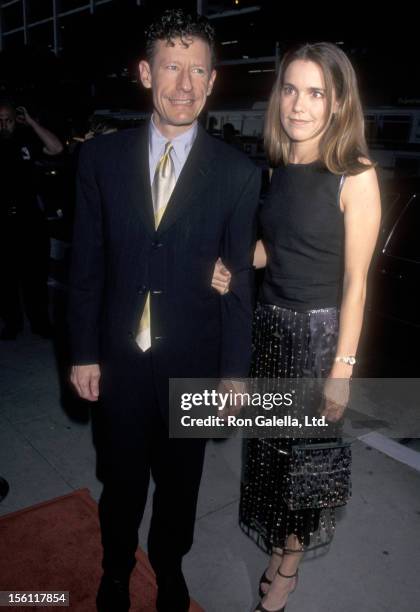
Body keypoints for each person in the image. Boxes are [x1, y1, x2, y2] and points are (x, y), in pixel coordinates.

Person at [68, 9, 260, 612]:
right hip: (120, 361)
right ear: (146, 73)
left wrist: (233, 373)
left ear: (212, 81)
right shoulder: (101, 160)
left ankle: (170, 570)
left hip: (195, 362)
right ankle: (117, 570)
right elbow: (86, 265)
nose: (184, 84)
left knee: (182, 487)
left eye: (197, 70)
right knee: (120, 484)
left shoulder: (237, 173)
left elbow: (237, 287)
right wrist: (83, 352)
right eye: (172, 68)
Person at [212, 42, 381, 612]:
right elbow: (273, 250)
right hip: (271, 333)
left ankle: (288, 564)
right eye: (290, 89)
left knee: (305, 464)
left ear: (337, 104)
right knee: (269, 455)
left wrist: (343, 370)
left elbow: (357, 283)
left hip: (317, 341)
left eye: (315, 93)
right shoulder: (280, 167)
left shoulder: (354, 176)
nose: (298, 104)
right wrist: (235, 264)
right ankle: (285, 545)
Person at [0, 102, 63, 340]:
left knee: (35, 275)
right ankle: (12, 323)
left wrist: (33, 123)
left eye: (8, 119)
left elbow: (56, 148)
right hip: (3, 221)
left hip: (30, 219)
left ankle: (40, 322)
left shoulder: (27, 139)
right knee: (5, 278)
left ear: (16, 120)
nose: (4, 125)